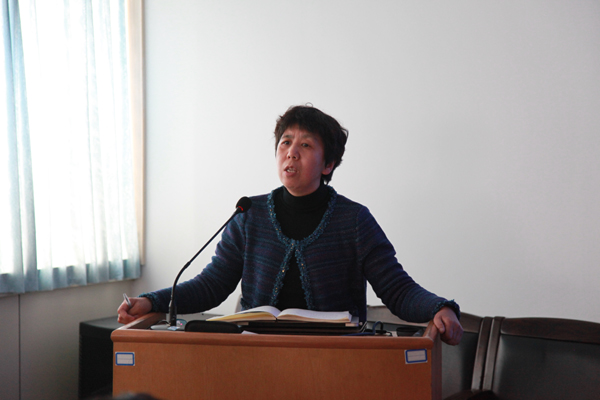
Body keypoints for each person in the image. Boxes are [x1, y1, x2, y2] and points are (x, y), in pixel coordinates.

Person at [118, 105, 463, 345]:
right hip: (256, 353)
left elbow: (397, 289)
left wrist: (440, 307)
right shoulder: (248, 214)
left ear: (328, 164)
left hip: (335, 358)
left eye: (305, 145)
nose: (291, 152)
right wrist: (152, 301)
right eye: (286, 142)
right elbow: (211, 285)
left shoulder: (354, 220)